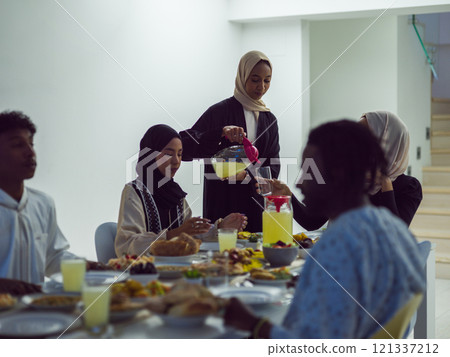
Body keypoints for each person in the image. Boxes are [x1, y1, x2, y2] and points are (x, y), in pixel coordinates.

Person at [224, 120, 425, 338]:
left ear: (337, 174)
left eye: (309, 172)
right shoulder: (392, 229)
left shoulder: (338, 245)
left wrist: (253, 324)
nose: (300, 183)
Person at [180, 50, 280, 232]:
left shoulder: (269, 120)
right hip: (222, 205)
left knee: (255, 256)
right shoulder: (219, 112)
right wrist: (219, 133)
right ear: (242, 77)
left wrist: (248, 176)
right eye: (255, 79)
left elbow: (273, 165)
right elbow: (184, 146)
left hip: (256, 208)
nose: (262, 87)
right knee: (222, 257)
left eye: (267, 80)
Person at [273, 111, 422, 229]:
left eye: (365, 136)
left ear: (387, 143)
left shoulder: (409, 187)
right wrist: (287, 195)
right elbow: (312, 221)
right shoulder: (350, 177)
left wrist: (386, 185)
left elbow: (396, 234)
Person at [115, 124, 247, 257]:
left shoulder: (174, 193)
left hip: (178, 270)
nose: (176, 161)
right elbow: (127, 245)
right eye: (168, 154)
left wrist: (221, 228)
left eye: (179, 154)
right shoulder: (134, 192)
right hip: (146, 275)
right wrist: (174, 234)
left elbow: (193, 233)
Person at [0, 110, 79, 284]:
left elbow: (52, 258)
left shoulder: (43, 203)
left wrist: (89, 266)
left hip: (36, 308)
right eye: (17, 145)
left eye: (31, 144)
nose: (30, 152)